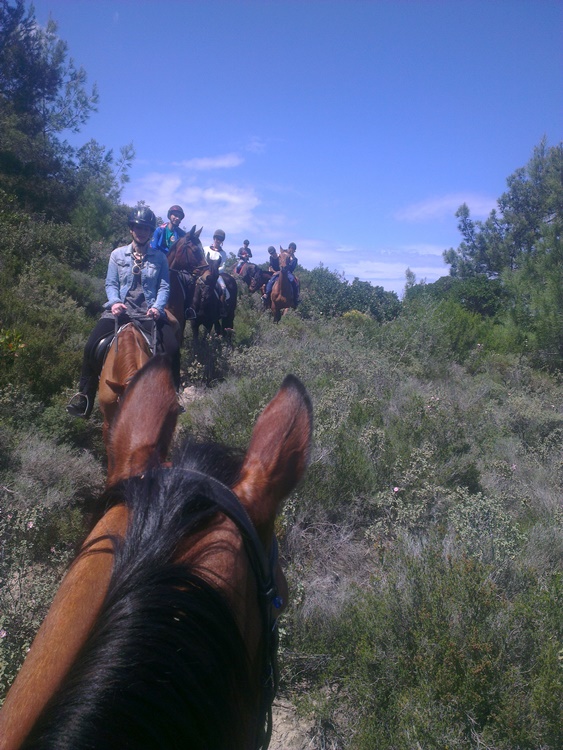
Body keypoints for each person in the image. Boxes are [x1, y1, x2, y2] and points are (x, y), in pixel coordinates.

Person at [66, 207, 181, 418]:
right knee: (91, 346)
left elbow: (164, 287)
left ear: (151, 231)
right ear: (131, 229)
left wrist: (157, 307)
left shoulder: (160, 258)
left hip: (148, 312)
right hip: (121, 312)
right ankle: (84, 396)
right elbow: (111, 283)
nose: (142, 232)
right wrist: (115, 302)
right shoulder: (117, 255)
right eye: (138, 227)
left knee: (172, 348)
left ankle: (173, 396)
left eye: (146, 228)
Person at [262, 242, 300, 307]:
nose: (291, 250)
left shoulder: (294, 259)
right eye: (290, 249)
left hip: (288, 272)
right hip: (280, 271)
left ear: (294, 251)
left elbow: (292, 268)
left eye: (293, 249)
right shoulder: (285, 255)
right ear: (289, 249)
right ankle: (267, 294)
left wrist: (289, 263)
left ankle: (296, 297)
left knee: (293, 281)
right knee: (271, 280)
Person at [205, 229, 230, 313]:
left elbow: (223, 266)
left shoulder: (223, 253)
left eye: (220, 239)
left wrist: (215, 272)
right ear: (214, 238)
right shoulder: (206, 249)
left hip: (216, 275)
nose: (218, 241)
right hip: (205, 273)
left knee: (223, 288)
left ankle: (221, 307)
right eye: (217, 238)